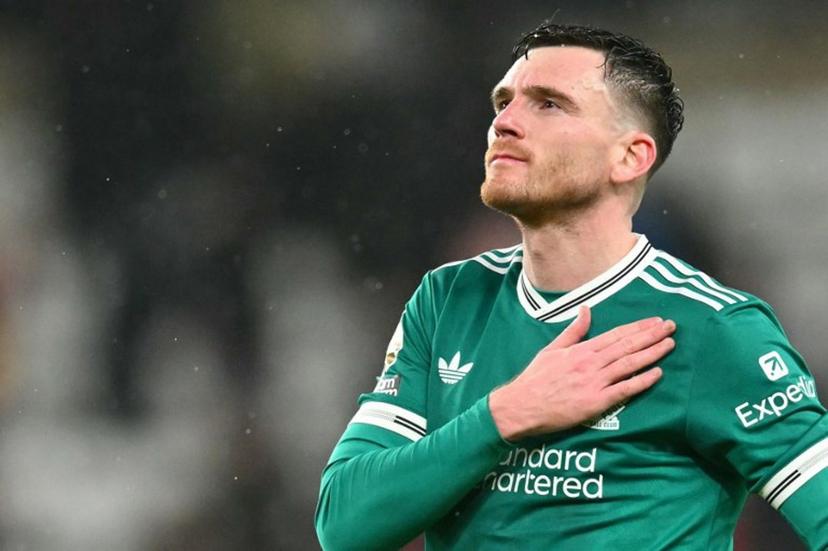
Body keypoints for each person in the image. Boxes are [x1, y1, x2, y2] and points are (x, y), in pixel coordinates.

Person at [315, 22, 828, 550]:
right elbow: (345, 526)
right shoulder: (448, 301)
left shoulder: (708, 327)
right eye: (504, 102)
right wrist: (507, 414)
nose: (505, 123)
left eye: (549, 104)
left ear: (630, 157)